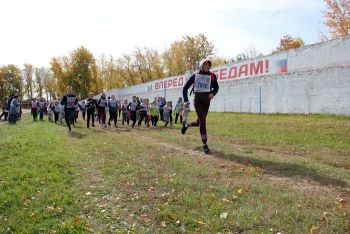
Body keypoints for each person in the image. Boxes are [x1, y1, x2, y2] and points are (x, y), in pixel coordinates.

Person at [182, 58, 219, 154]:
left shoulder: (212, 75)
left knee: (199, 122)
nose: (206, 66)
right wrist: (186, 100)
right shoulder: (195, 76)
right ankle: (205, 144)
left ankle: (186, 125)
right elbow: (185, 88)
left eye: (208, 65)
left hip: (207, 102)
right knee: (203, 121)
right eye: (205, 64)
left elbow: (216, 87)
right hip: (198, 101)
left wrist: (213, 93)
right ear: (201, 65)